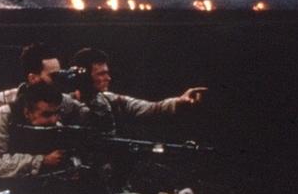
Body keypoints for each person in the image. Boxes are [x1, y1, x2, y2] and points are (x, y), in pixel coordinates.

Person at [0, 42, 86, 158]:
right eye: (53, 76)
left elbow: (89, 117)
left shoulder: (65, 102)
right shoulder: (4, 101)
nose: (58, 80)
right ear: (33, 78)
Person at [68, 48, 207, 137]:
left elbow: (151, 108)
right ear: (84, 76)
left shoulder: (112, 101)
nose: (108, 78)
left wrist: (179, 102)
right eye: (101, 74)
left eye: (107, 73)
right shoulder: (64, 105)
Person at [0, 80, 66, 185]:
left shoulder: (55, 126)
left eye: (57, 113)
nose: (54, 120)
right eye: (46, 115)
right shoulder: (2, 117)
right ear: (27, 112)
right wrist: (41, 161)